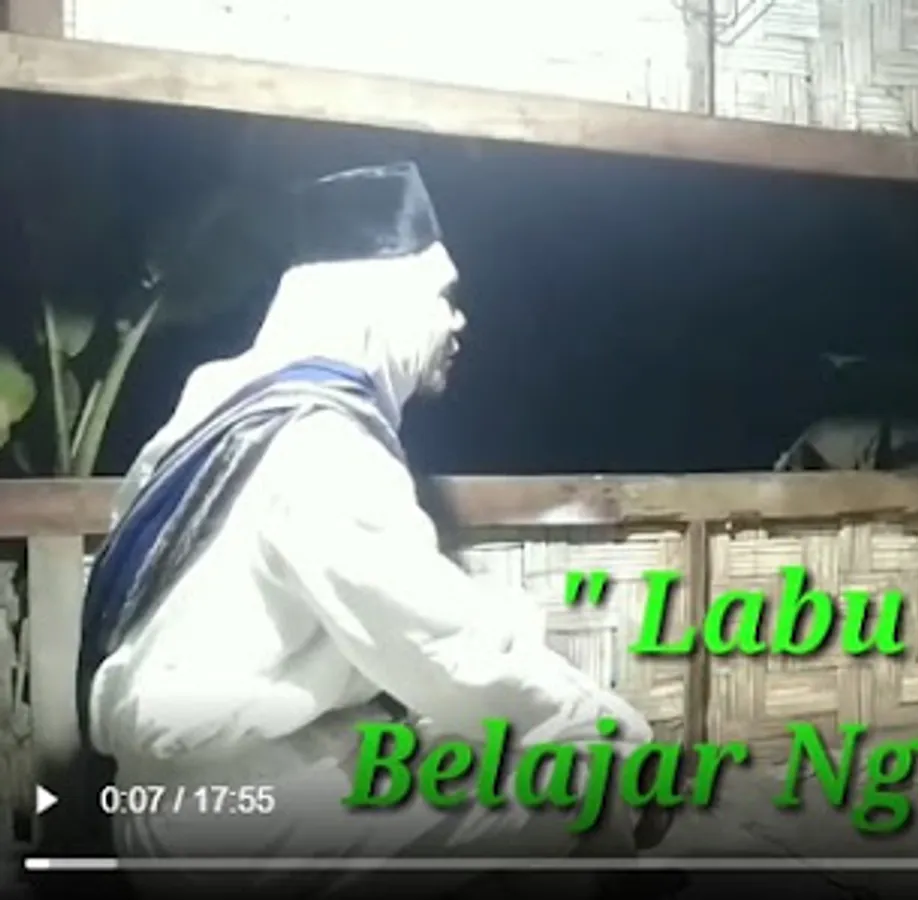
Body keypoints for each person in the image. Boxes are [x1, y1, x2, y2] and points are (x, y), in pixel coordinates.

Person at [73, 162, 663, 896]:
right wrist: (604, 720)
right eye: (443, 297)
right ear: (382, 303)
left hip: (190, 788)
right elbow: (444, 649)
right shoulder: (323, 447)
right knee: (586, 766)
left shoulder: (218, 399)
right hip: (228, 824)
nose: (459, 322)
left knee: (465, 724)